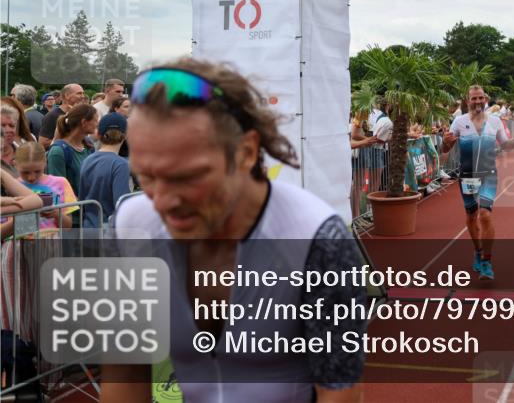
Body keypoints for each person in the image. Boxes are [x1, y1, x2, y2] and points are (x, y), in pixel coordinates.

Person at [102, 59, 365, 402]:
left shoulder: (318, 239)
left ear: (246, 151)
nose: (163, 202)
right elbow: (124, 376)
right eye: (146, 178)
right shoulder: (127, 229)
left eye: (188, 177)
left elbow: (339, 392)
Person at [440, 85, 514, 281]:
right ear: (467, 100)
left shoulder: (495, 121)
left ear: (486, 99)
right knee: (472, 215)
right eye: (473, 98)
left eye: (480, 98)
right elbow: (445, 149)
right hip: (468, 176)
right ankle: (478, 250)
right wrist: (446, 141)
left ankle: (486, 261)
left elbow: (506, 144)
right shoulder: (459, 121)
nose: (477, 101)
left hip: (488, 174)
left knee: (485, 214)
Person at [78, 113, 132, 228]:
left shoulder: (87, 160)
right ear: (126, 135)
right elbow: (121, 203)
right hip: (109, 230)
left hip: (88, 228)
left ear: (98, 134)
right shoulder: (121, 164)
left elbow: (82, 198)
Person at [10, 142, 78, 230]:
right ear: (15, 164)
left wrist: (57, 214)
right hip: (20, 241)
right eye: (25, 172)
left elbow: (68, 226)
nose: (31, 177)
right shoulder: (11, 186)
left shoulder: (61, 183)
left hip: (51, 240)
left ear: (45, 162)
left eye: (37, 171)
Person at [46, 104, 97, 194]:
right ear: (84, 122)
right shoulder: (58, 151)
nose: (98, 124)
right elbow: (58, 190)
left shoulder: (89, 146)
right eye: (95, 120)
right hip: (73, 207)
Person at [39, 83, 86, 149]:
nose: (83, 96)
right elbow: (42, 143)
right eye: (79, 93)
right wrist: (71, 141)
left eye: (83, 93)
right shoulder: (52, 116)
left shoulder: (81, 115)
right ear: (67, 96)